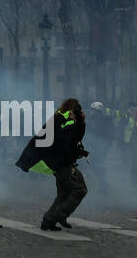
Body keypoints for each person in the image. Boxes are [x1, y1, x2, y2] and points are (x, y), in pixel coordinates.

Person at [16, 97, 88, 231]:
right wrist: (79, 123)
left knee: (64, 193)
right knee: (79, 189)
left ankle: (48, 221)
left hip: (54, 161)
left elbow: (66, 139)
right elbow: (68, 141)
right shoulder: (68, 121)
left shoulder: (59, 118)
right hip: (62, 163)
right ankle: (59, 215)